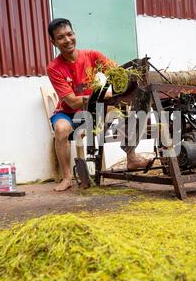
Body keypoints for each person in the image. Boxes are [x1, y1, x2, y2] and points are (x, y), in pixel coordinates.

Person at [47, 18, 150, 191]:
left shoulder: (93, 56)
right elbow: (72, 102)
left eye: (69, 34)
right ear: (53, 42)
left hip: (94, 111)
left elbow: (118, 73)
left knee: (124, 109)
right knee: (61, 129)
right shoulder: (54, 67)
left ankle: (131, 157)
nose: (67, 40)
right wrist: (101, 95)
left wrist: (129, 82)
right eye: (60, 37)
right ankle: (66, 177)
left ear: (74, 34)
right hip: (69, 112)